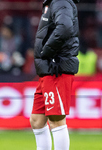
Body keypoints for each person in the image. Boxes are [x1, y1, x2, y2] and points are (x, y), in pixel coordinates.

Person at [30, 0, 80, 150]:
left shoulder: (60, 1)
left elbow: (64, 28)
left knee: (56, 119)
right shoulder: (53, 3)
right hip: (47, 69)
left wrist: (47, 52)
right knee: (37, 120)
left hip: (56, 68)